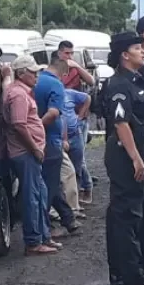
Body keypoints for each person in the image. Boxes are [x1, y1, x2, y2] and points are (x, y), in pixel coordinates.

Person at [101, 31, 144, 285]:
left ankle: (126, 270)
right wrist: (136, 159)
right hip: (125, 153)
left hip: (137, 149)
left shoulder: (135, 80)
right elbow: (122, 123)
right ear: (125, 55)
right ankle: (131, 273)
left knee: (129, 212)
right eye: (137, 48)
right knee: (128, 214)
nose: (142, 51)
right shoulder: (120, 85)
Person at [2, 55, 58, 255]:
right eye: (33, 72)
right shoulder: (18, 95)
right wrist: (34, 147)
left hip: (28, 152)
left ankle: (42, 236)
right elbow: (19, 124)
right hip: (26, 152)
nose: (36, 76)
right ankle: (34, 241)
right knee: (32, 196)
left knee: (39, 193)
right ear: (22, 73)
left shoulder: (17, 91)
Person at [34, 52, 82, 237]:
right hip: (49, 141)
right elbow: (54, 113)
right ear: (64, 71)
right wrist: (37, 128)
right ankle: (43, 229)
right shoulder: (56, 85)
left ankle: (68, 219)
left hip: (36, 141)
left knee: (50, 182)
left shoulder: (37, 82)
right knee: (51, 184)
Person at [58, 40, 96, 203]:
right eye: (67, 53)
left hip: (77, 120)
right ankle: (71, 194)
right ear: (59, 53)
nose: (69, 56)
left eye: (71, 53)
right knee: (66, 162)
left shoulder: (75, 69)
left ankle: (86, 188)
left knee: (79, 160)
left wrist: (78, 66)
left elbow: (91, 82)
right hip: (62, 120)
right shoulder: (56, 70)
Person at [62, 87, 91, 206]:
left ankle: (75, 201)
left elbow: (87, 98)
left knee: (77, 168)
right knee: (64, 172)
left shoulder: (68, 93)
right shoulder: (50, 96)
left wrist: (80, 116)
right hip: (61, 138)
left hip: (75, 134)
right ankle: (65, 203)